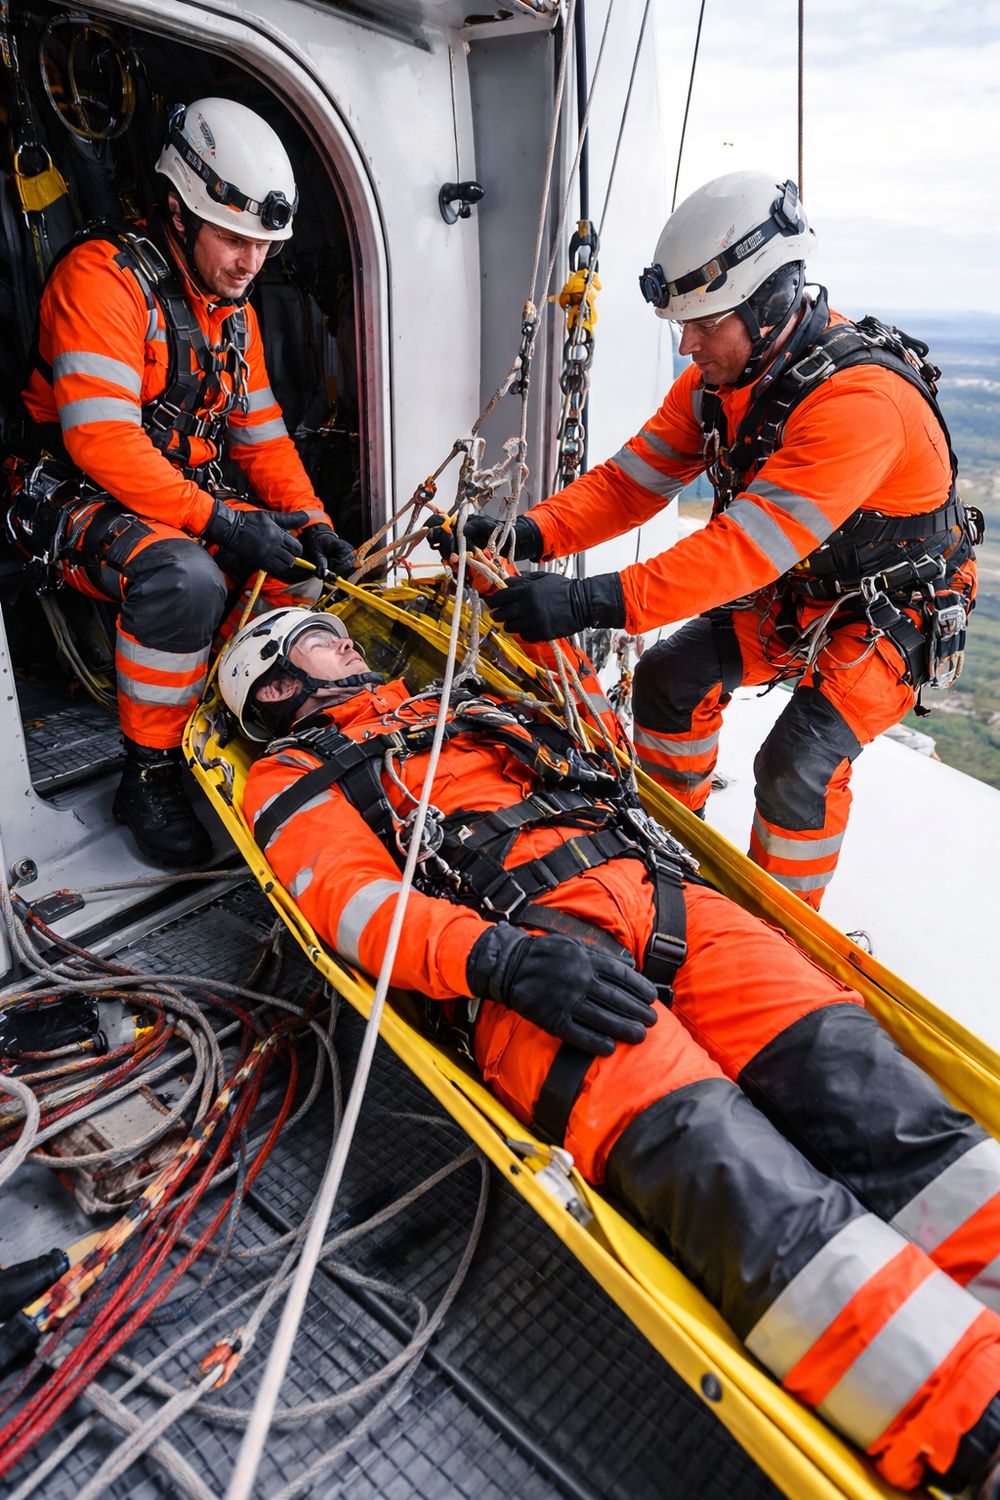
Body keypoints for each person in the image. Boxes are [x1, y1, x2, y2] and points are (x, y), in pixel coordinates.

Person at [218, 601, 1000, 1496]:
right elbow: (351, 906)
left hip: (667, 899)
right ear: (274, 685)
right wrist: (499, 961)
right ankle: (971, 1423)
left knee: (869, 1091)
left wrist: (551, 628)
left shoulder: (469, 700)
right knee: (725, 1164)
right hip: (532, 959)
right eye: (320, 642)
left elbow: (599, 734)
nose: (347, 643)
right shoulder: (292, 776)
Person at [430, 172, 980, 909]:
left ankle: (783, 934)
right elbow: (630, 484)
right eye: (681, 325)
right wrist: (525, 532)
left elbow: (741, 551)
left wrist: (588, 601)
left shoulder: (861, 405)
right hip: (802, 594)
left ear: (771, 305)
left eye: (705, 322)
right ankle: (670, 850)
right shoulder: (720, 384)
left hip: (888, 611)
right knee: (668, 680)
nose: (687, 345)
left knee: (797, 763)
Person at [16, 97, 356, 867]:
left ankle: (262, 735)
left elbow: (260, 432)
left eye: (264, 245)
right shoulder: (101, 280)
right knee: (186, 578)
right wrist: (224, 524)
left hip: (166, 488)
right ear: (177, 209)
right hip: (66, 492)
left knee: (299, 572)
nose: (250, 262)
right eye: (234, 238)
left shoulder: (231, 310)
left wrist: (311, 523)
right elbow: (100, 440)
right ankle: (151, 775)